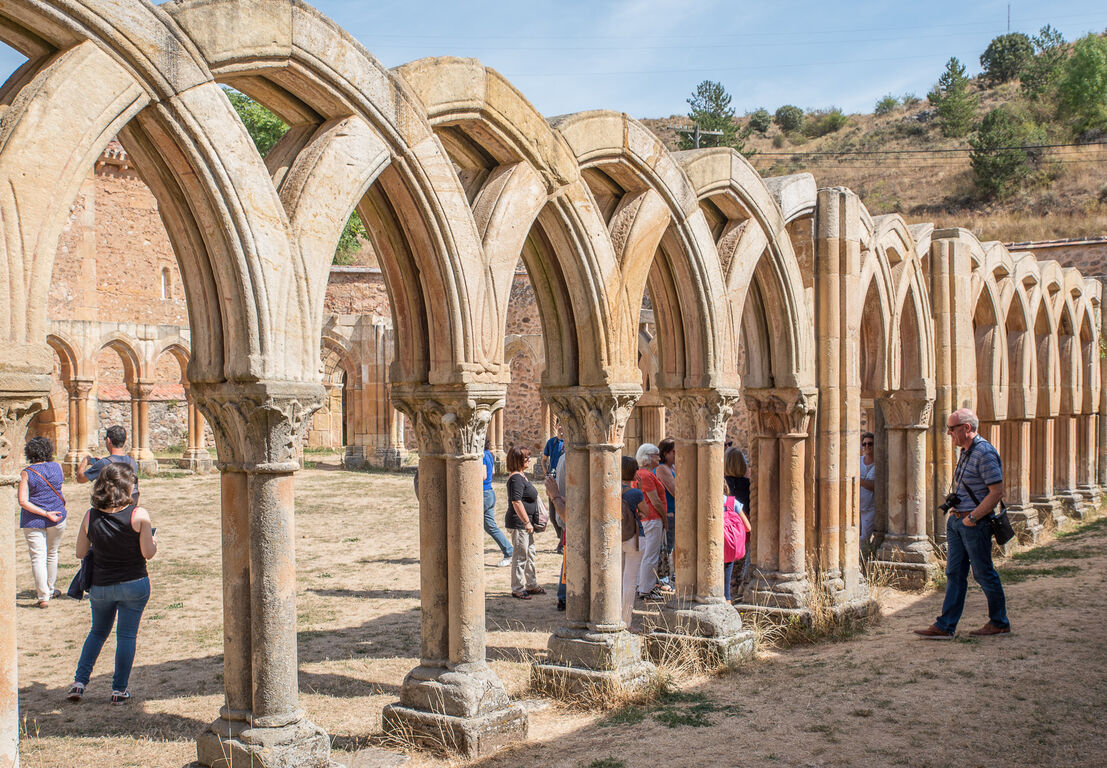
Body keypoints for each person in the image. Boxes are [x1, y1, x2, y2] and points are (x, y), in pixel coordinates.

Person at [914, 408, 1010, 639]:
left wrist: (973, 517)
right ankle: (945, 626)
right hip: (958, 522)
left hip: (974, 523)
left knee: (983, 573)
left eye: (952, 428)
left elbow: (996, 492)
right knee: (954, 573)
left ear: (966, 428)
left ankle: (999, 622)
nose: (948, 433)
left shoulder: (984, 453)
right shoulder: (966, 452)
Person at [67, 462, 157, 704]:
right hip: (134, 582)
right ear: (128, 486)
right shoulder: (139, 515)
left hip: (102, 585)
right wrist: (153, 541)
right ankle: (119, 689)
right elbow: (148, 553)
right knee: (126, 636)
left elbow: (80, 551)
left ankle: (79, 682)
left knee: (97, 632)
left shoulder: (90, 515)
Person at [18, 436, 68, 608]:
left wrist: (44, 513)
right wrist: (49, 513)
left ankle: (43, 595)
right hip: (57, 516)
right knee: (52, 553)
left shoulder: (27, 472)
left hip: (34, 519)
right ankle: (51, 588)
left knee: (38, 557)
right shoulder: (57, 467)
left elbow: (23, 501)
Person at [505, 446, 544, 600]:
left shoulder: (521, 476)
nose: (529, 459)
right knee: (521, 555)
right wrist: (526, 522)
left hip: (526, 524)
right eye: (526, 457)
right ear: (518, 460)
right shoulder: (515, 478)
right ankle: (517, 587)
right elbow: (516, 502)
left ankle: (531, 584)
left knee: (530, 553)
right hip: (520, 523)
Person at [634, 443, 668, 602]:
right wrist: (665, 518)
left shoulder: (643, 474)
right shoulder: (646, 475)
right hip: (652, 518)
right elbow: (655, 501)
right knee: (650, 554)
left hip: (648, 519)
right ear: (647, 457)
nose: (659, 458)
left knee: (645, 553)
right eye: (656, 455)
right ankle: (646, 589)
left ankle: (641, 585)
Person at [77, 425, 139, 501]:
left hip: (112, 508)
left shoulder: (103, 464)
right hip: (130, 506)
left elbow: (80, 479)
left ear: (108, 440)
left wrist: (85, 461)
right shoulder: (132, 462)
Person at [620, 456, 647, 629]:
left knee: (618, 579)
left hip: (618, 538)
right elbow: (646, 511)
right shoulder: (635, 493)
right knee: (630, 581)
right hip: (635, 538)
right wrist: (641, 488)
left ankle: (614, 616)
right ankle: (626, 621)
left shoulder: (613, 490)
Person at [724, 446, 752, 596]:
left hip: (724, 531)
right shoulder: (748, 485)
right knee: (742, 562)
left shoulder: (722, 485)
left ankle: (728, 591)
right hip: (743, 531)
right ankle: (737, 590)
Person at [483, 439, 513, 567]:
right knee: (490, 526)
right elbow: (493, 472)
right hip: (489, 492)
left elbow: (483, 475)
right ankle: (509, 551)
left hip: (482, 494)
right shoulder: (489, 454)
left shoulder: (482, 455)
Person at [722, 483, 751, 602]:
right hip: (728, 549)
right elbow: (748, 527)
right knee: (726, 589)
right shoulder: (731, 503)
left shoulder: (702, 502)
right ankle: (727, 601)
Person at [654, 439, 677, 586]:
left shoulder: (672, 468)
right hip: (669, 512)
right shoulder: (662, 469)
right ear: (666, 453)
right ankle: (663, 579)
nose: (677, 454)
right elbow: (676, 491)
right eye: (674, 451)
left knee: (672, 547)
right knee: (667, 548)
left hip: (675, 511)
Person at [542, 422, 565, 551]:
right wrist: (546, 474)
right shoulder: (552, 443)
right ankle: (561, 538)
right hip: (553, 480)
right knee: (552, 515)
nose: (561, 427)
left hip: (563, 480)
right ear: (556, 426)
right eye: (559, 424)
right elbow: (544, 460)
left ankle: (562, 542)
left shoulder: (568, 443)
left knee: (561, 512)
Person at [859, 432, 877, 553]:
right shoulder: (858, 461)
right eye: (864, 444)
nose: (867, 447)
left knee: (864, 538)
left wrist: (859, 480)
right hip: (856, 507)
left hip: (870, 508)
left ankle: (863, 561)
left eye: (870, 444)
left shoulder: (879, 464)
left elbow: (875, 486)